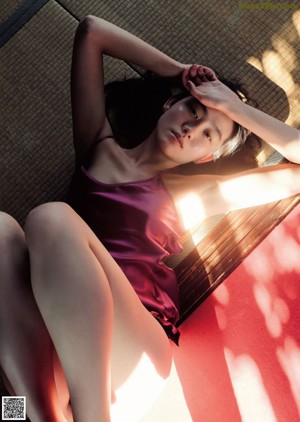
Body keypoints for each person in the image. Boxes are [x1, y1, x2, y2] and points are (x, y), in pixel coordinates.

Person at [0, 15, 299, 422]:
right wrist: (180, 72)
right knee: (1, 231)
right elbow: (91, 31)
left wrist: (231, 107)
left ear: (206, 156)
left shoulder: (190, 196)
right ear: (170, 103)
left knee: (50, 219)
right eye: (194, 109)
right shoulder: (98, 146)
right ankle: (30, 415)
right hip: (57, 348)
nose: (193, 128)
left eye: (209, 134)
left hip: (132, 347)